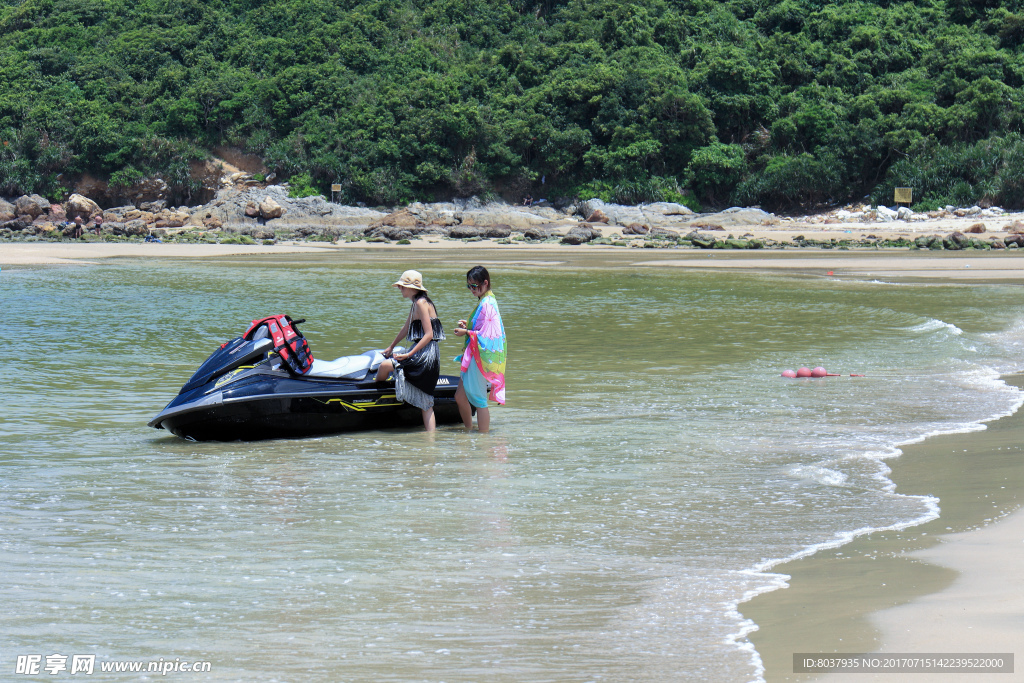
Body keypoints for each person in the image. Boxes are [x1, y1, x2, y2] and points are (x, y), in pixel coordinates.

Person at [376, 270, 445, 431]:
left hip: (426, 355)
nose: (400, 289)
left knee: (384, 366)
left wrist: (408, 354)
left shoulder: (421, 303)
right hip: (424, 352)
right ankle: (431, 443)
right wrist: (391, 347)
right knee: (426, 403)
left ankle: (375, 392)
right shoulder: (417, 302)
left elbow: (429, 335)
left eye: (402, 287)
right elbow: (406, 328)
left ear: (411, 288)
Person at [453, 266, 506, 432]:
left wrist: (467, 332)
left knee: (479, 400)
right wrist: (468, 325)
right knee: (460, 397)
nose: (472, 290)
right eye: (469, 286)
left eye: (474, 286)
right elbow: (483, 327)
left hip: (479, 357)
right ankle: (469, 430)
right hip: (473, 354)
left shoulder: (488, 303)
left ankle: (484, 439)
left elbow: (490, 334)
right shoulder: (484, 301)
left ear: (485, 283)